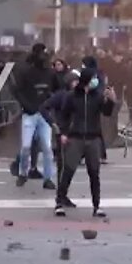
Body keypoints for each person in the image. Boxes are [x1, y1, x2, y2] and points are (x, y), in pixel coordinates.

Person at [54, 68, 116, 218]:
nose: (96, 81)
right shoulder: (72, 96)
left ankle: (96, 205)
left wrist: (111, 101)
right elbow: (64, 115)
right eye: (93, 78)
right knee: (68, 170)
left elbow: (106, 112)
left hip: (93, 137)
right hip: (75, 137)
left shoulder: (98, 96)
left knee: (94, 173)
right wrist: (63, 133)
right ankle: (59, 202)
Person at [12, 44, 57, 190]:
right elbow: (18, 91)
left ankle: (48, 178)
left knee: (47, 147)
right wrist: (27, 106)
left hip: (45, 115)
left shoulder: (50, 73)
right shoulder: (26, 72)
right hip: (30, 114)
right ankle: (22, 173)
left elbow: (57, 89)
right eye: (43, 54)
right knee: (25, 146)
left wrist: (51, 102)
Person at [80, 55, 110, 163]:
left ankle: (85, 154)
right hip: (97, 101)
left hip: (91, 101)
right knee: (96, 129)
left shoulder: (91, 73)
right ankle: (101, 155)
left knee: (88, 129)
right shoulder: (100, 73)